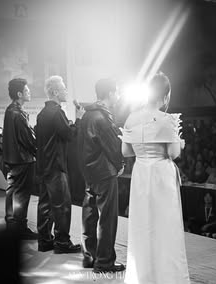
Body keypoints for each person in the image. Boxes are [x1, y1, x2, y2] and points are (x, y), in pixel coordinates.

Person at [121, 72, 190, 283]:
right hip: (161, 174)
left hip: (141, 172)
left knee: (143, 225)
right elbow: (172, 153)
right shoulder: (166, 119)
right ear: (166, 95)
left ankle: (143, 276)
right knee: (165, 225)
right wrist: (180, 144)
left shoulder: (132, 117)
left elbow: (126, 152)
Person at [77, 78, 125, 273]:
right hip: (104, 172)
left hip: (89, 171)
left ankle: (90, 256)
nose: (119, 96)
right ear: (111, 93)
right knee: (107, 217)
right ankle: (104, 261)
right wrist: (120, 164)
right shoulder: (103, 117)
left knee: (89, 214)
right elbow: (113, 146)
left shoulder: (87, 115)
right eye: (118, 92)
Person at [35, 75, 82, 253]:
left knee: (45, 205)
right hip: (56, 165)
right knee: (62, 206)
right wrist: (78, 119)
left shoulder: (42, 114)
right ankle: (62, 243)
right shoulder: (57, 112)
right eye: (63, 88)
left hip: (44, 165)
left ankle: (44, 240)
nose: (66, 91)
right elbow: (69, 135)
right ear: (55, 92)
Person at [2, 78, 38, 240]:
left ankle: (12, 226)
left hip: (12, 159)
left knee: (12, 193)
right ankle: (20, 228)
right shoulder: (18, 114)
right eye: (27, 91)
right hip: (23, 160)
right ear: (19, 94)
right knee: (22, 195)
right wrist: (39, 151)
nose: (29, 93)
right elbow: (29, 140)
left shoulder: (10, 111)